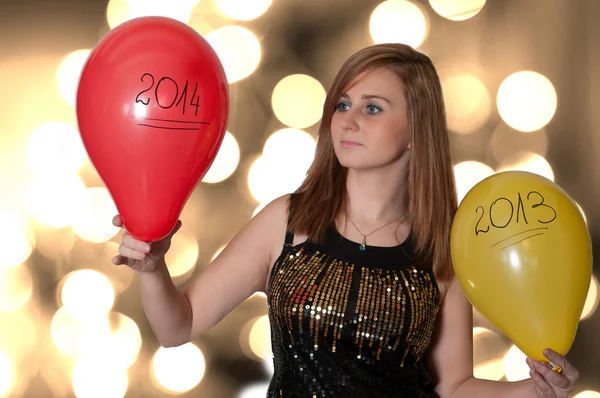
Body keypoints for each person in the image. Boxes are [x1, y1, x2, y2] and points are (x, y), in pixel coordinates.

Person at [111, 43, 579, 397]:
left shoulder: (445, 248)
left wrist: (532, 390)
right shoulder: (286, 222)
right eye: (342, 104)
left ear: (418, 130)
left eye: (372, 107)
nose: (348, 120)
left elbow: (453, 387)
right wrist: (153, 271)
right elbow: (178, 327)